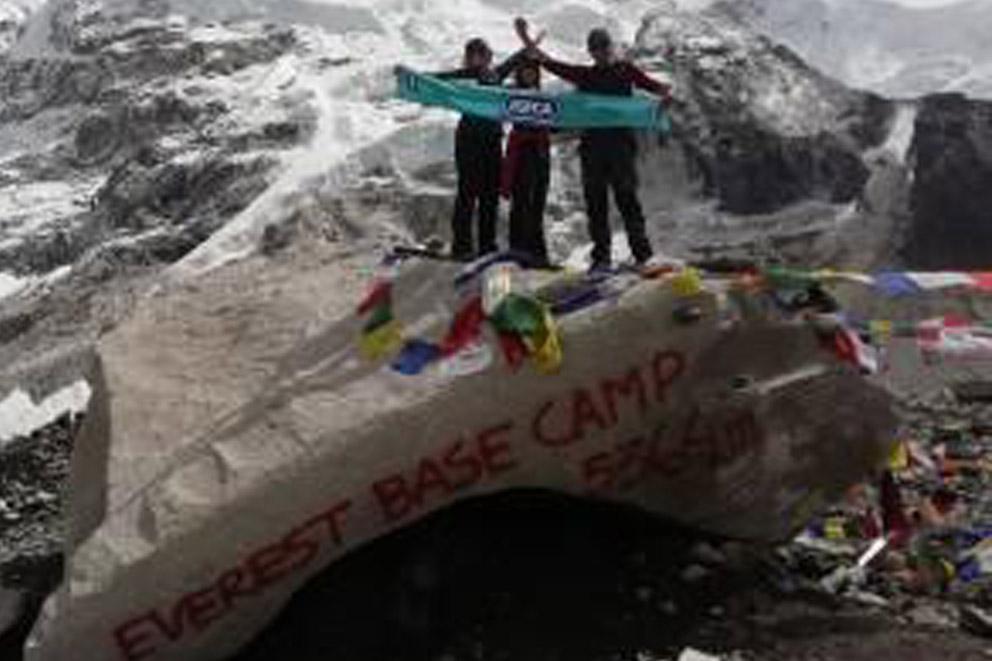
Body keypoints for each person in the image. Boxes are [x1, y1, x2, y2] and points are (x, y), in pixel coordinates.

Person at [516, 19, 672, 272]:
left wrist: (665, 96)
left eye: (603, 47)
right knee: (597, 204)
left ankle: (642, 255)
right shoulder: (587, 75)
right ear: (591, 52)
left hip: (619, 148)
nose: (600, 52)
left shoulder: (625, 70)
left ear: (610, 47)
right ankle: (602, 258)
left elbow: (656, 88)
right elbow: (550, 64)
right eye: (596, 49)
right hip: (595, 149)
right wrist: (524, 38)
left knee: (627, 201)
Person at [432, 39, 525, 261]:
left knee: (489, 196)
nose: (477, 58)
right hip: (469, 142)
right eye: (472, 54)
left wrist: (529, 44)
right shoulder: (464, 77)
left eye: (480, 54)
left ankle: (487, 246)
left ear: (487, 56)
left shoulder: (495, 75)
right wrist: (409, 76)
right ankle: (461, 246)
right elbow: (436, 79)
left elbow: (513, 62)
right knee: (467, 193)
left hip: (492, 141)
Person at [501, 56, 551, 267]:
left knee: (538, 202)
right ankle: (519, 249)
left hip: (541, 152)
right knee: (522, 202)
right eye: (526, 69)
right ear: (519, 73)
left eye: (533, 70)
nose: (529, 73)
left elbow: (554, 124)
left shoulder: (545, 97)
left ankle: (537, 253)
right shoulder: (511, 94)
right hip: (523, 152)